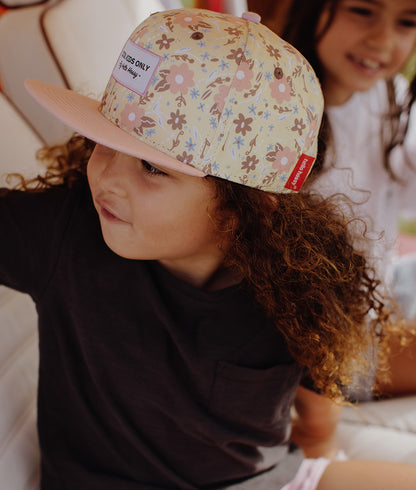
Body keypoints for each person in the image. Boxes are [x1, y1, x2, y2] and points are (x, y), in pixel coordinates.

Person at [2, 7, 416, 489]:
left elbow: (318, 384)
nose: (108, 179)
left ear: (248, 206)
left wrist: (321, 446)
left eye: (153, 168)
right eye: (105, 143)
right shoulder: (65, 231)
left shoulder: (301, 283)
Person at [282, 0, 416, 397]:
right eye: (362, 11)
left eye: (407, 22)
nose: (382, 40)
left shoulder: (391, 96)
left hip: (386, 292)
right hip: (329, 342)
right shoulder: (277, 114)